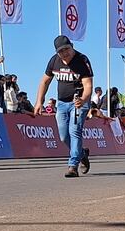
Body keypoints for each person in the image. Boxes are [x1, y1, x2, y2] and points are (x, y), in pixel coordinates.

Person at [35, 35, 93, 178]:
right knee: (63, 136)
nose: (65, 53)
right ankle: (82, 153)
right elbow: (44, 82)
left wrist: (83, 100)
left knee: (75, 131)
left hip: (79, 103)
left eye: (67, 49)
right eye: (61, 51)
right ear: (57, 53)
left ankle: (73, 166)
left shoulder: (82, 60)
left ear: (72, 47)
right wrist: (39, 102)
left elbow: (88, 85)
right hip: (61, 104)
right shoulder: (54, 61)